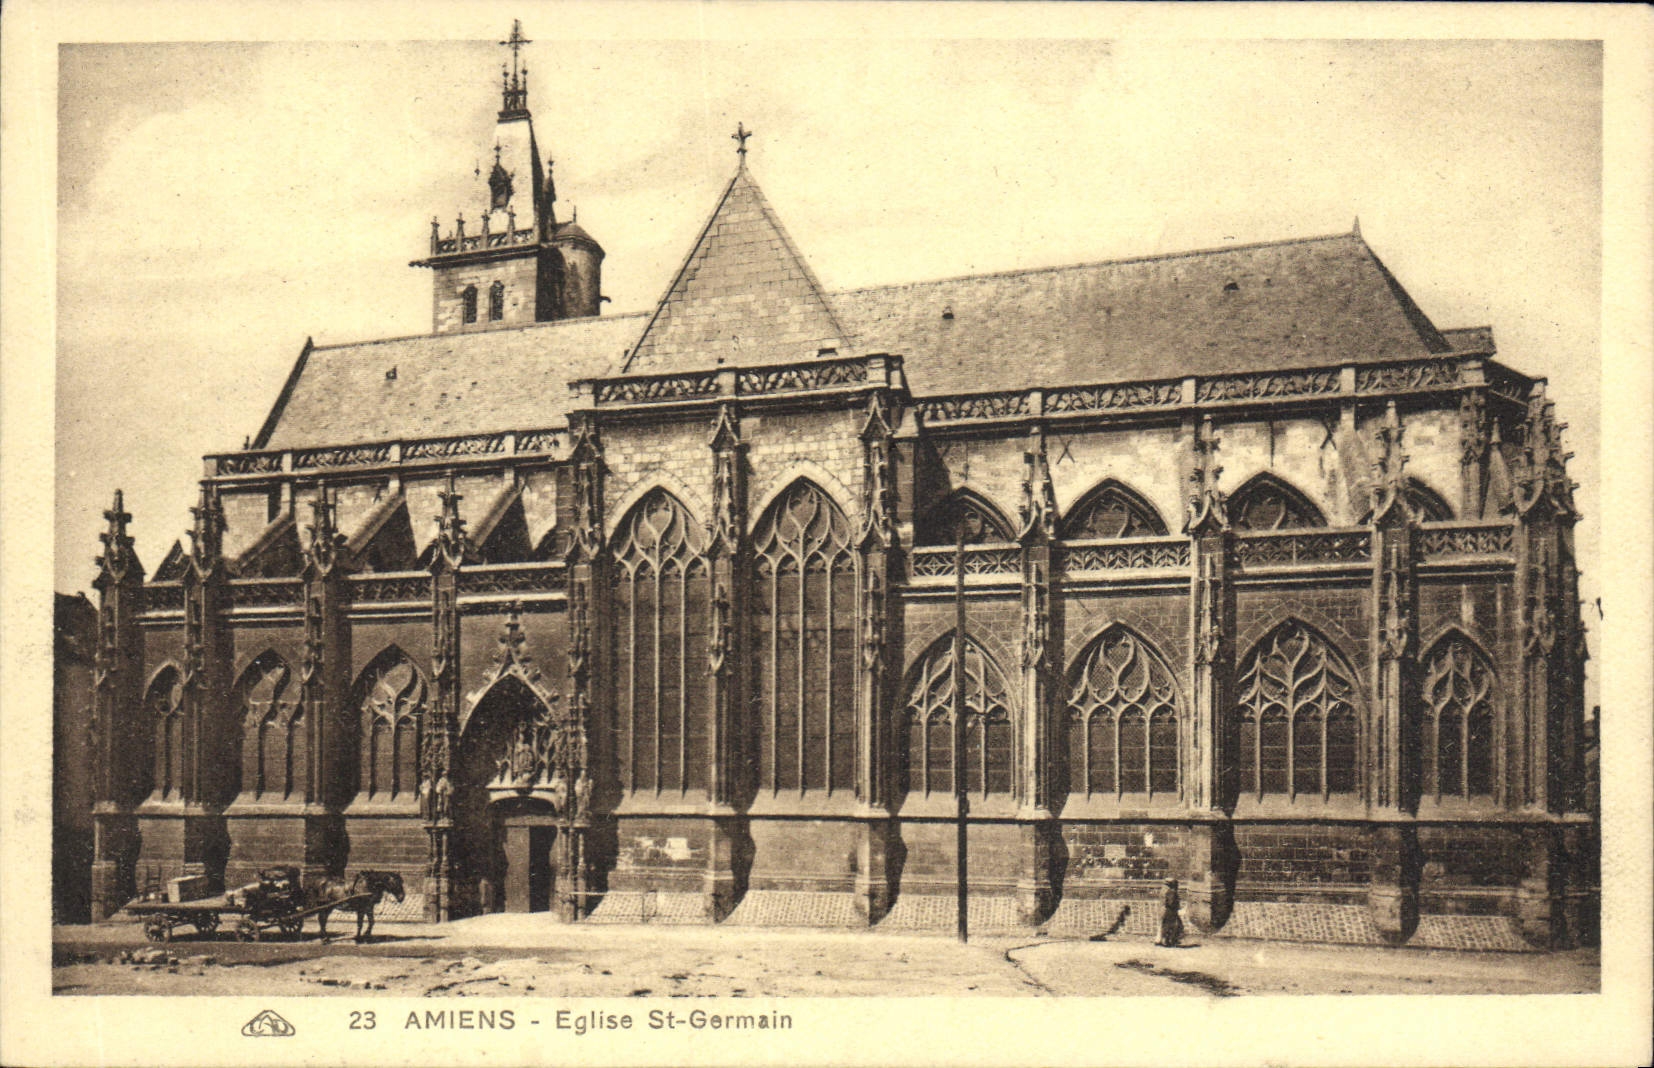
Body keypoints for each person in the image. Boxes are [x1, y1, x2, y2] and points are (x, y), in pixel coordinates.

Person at [1157, 877, 1184, 947]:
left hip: (1162, 909)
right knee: (1173, 926)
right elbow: (1171, 902)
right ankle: (1169, 941)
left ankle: (1160, 940)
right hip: (1169, 910)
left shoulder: (1163, 890)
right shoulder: (1170, 891)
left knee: (1163, 925)